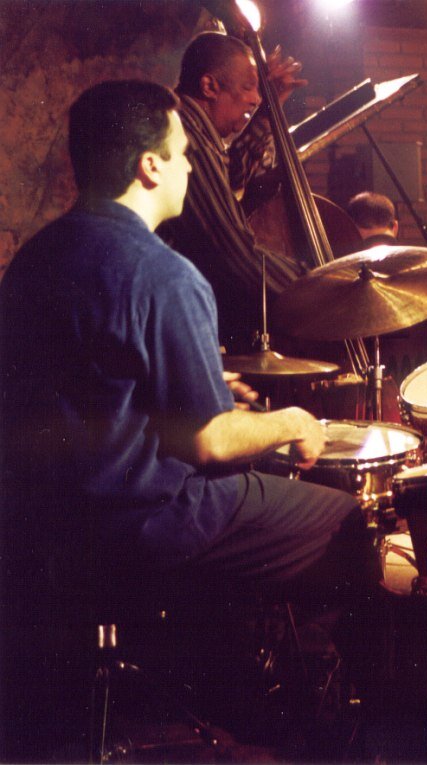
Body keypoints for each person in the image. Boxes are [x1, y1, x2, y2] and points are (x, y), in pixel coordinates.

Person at [0, 81, 371, 756]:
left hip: (44, 523)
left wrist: (197, 382)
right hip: (147, 521)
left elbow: (85, 383)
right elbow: (209, 441)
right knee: (346, 523)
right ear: (149, 166)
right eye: (183, 153)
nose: (194, 167)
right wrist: (291, 418)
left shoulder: (31, 262)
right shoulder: (164, 274)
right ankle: (323, 730)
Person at [157, 31, 309, 353]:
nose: (256, 98)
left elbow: (230, 176)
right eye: (248, 86)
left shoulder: (195, 132)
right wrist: (318, 286)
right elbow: (237, 257)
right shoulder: (188, 141)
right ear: (210, 86)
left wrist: (268, 111)